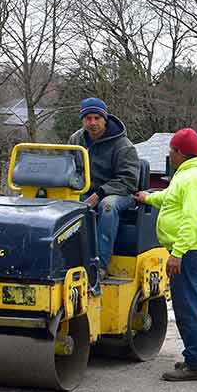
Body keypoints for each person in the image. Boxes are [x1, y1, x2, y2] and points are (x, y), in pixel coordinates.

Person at [135, 128, 197, 382]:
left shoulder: (192, 179)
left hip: (189, 254)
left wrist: (177, 253)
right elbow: (170, 199)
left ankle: (196, 365)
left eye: (171, 150)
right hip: (192, 252)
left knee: (187, 310)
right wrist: (148, 198)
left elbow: (191, 220)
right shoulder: (188, 175)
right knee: (192, 307)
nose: (169, 154)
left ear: (180, 152)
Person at [68, 98, 144, 270]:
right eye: (88, 118)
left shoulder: (123, 146)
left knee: (108, 207)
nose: (93, 123)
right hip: (85, 190)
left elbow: (129, 181)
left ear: (105, 119)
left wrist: (100, 194)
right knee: (65, 205)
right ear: (83, 120)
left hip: (120, 193)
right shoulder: (76, 140)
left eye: (97, 118)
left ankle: (100, 265)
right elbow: (68, 168)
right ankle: (69, 261)